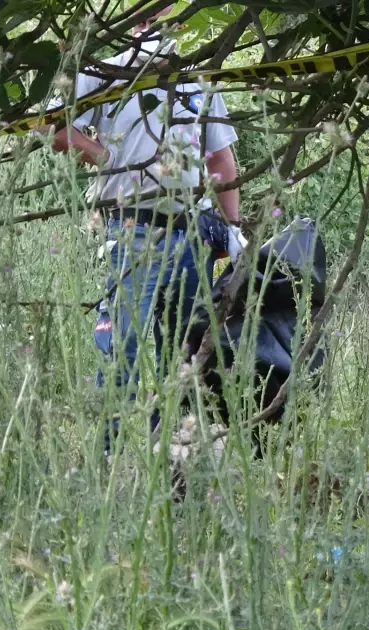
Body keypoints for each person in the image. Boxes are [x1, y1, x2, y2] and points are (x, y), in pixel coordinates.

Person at [47, 7, 241, 449]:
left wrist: (233, 229)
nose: (155, 22)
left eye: (165, 12)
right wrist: (108, 157)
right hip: (134, 226)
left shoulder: (194, 76)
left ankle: (174, 458)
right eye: (147, 15)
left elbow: (220, 158)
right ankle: (107, 459)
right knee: (124, 348)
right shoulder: (107, 70)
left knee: (186, 351)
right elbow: (54, 125)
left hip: (193, 231)